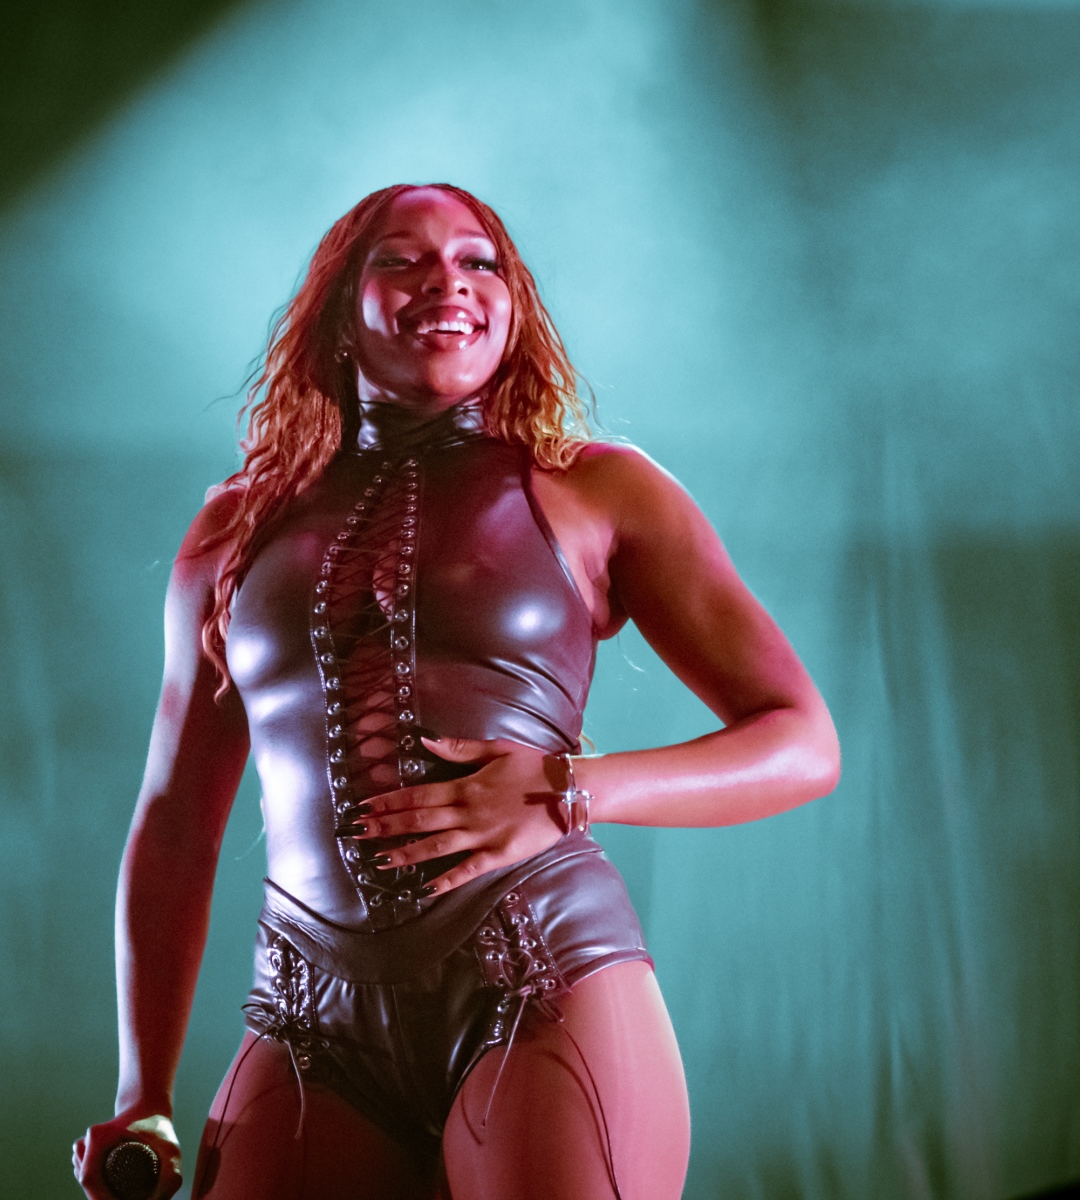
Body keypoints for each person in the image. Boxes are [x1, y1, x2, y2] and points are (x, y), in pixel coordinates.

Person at [71, 183, 840, 1200]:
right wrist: (143, 1092)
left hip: (540, 975)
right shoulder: (232, 529)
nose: (449, 282)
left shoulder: (598, 488)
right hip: (307, 1018)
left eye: (479, 261)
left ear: (513, 304)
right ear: (339, 311)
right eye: (403, 259)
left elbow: (802, 741)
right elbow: (174, 821)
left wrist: (572, 788)